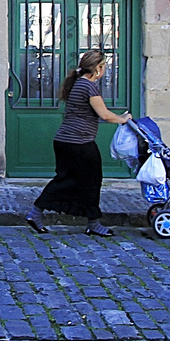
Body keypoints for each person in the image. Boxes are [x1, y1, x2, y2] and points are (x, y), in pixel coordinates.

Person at [26, 49, 130, 237]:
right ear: (98, 68)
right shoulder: (88, 87)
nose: (104, 70)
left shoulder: (77, 84)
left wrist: (118, 117)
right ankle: (94, 224)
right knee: (90, 182)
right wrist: (124, 119)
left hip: (65, 141)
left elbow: (86, 114)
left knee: (66, 180)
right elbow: (105, 115)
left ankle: (36, 213)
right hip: (79, 143)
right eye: (104, 66)